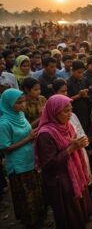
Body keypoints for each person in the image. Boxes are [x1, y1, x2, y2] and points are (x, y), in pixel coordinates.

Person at [35, 94, 92, 229]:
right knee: (68, 213)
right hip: (59, 180)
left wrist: (78, 144)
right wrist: (71, 149)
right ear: (54, 112)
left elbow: (70, 143)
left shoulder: (67, 126)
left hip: (74, 173)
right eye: (65, 111)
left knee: (77, 209)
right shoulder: (45, 134)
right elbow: (48, 164)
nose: (69, 114)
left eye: (70, 109)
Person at [0, 89, 46, 227]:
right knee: (26, 196)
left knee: (36, 191)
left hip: (30, 159)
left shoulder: (19, 115)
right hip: (19, 164)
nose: (22, 105)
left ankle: (40, 218)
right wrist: (28, 138)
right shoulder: (4, 123)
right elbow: (5, 148)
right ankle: (31, 222)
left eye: (23, 101)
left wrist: (34, 131)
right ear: (8, 104)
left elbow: (27, 130)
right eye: (18, 103)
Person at [67, 60, 91, 134]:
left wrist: (86, 95)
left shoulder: (84, 80)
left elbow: (89, 96)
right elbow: (67, 100)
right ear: (72, 71)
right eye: (79, 72)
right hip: (74, 110)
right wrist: (79, 95)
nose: (81, 74)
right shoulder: (68, 82)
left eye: (82, 72)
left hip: (84, 110)